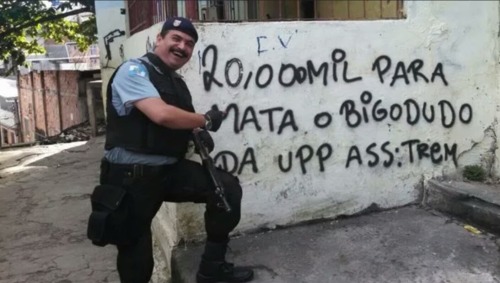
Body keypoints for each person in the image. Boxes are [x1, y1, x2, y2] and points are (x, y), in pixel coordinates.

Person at [88, 17, 254, 283]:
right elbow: (163, 115)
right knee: (136, 248)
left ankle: (212, 269)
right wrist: (206, 120)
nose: (182, 47)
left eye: (189, 43)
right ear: (159, 40)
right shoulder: (133, 71)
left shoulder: (176, 83)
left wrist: (197, 132)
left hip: (168, 170)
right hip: (131, 175)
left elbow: (181, 120)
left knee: (227, 191)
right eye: (175, 39)